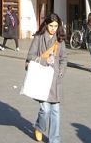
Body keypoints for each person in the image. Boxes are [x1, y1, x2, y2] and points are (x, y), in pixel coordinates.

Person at [26, 13, 67, 143]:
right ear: (46, 24)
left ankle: (54, 139)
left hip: (55, 80)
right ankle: (39, 127)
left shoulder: (60, 39)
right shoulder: (38, 38)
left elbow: (64, 58)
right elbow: (30, 57)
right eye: (51, 25)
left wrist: (61, 71)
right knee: (45, 110)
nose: (53, 28)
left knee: (55, 111)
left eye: (56, 26)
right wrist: (44, 61)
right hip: (42, 79)